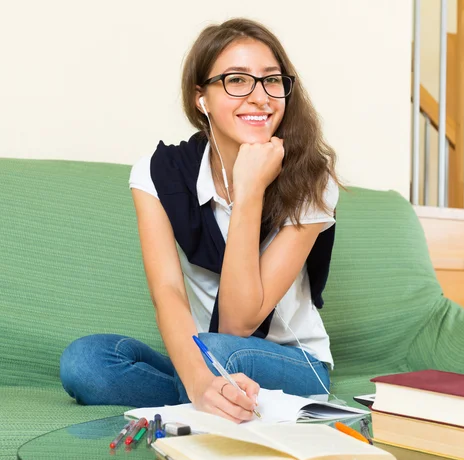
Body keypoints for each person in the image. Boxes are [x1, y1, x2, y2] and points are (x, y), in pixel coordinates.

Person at [59, 18, 341, 424]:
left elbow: (238, 322)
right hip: (205, 354)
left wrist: (250, 191)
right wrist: (196, 379)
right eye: (236, 81)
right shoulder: (157, 174)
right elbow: (169, 293)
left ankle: (212, 389)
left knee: (222, 350)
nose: (260, 97)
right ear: (201, 98)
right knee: (86, 362)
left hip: (292, 361)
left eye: (271, 81)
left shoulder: (314, 179)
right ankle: (214, 395)